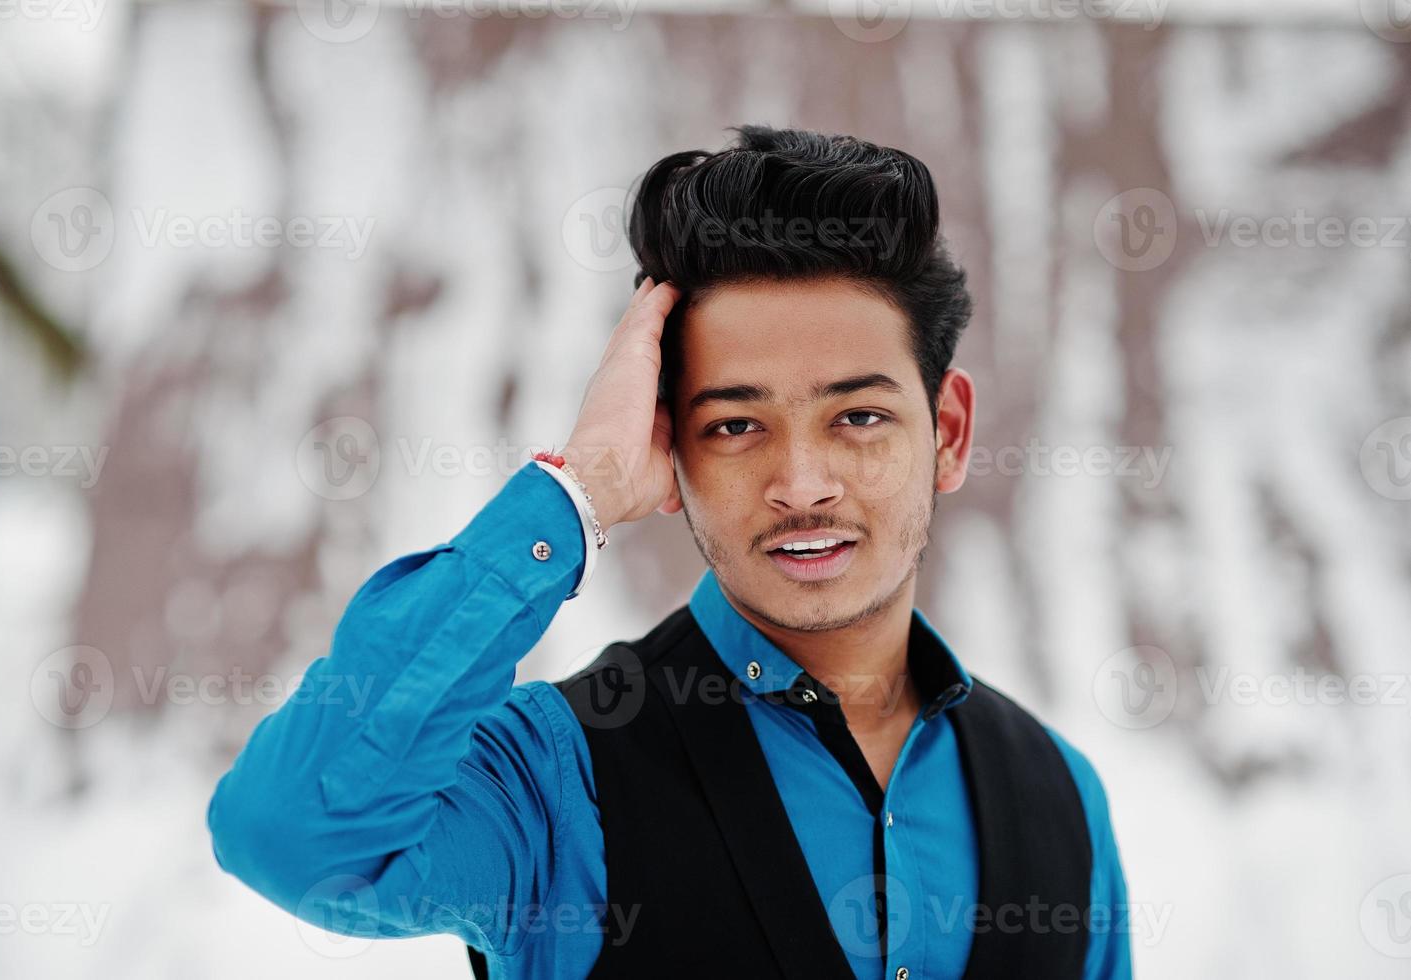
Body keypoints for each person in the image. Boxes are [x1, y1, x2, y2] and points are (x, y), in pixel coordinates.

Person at [207, 125, 1132, 979]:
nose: (801, 482)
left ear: (950, 432)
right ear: (668, 446)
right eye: (734, 424)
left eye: (857, 417)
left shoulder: (1057, 794)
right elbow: (290, 835)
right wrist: (577, 494)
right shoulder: (559, 779)